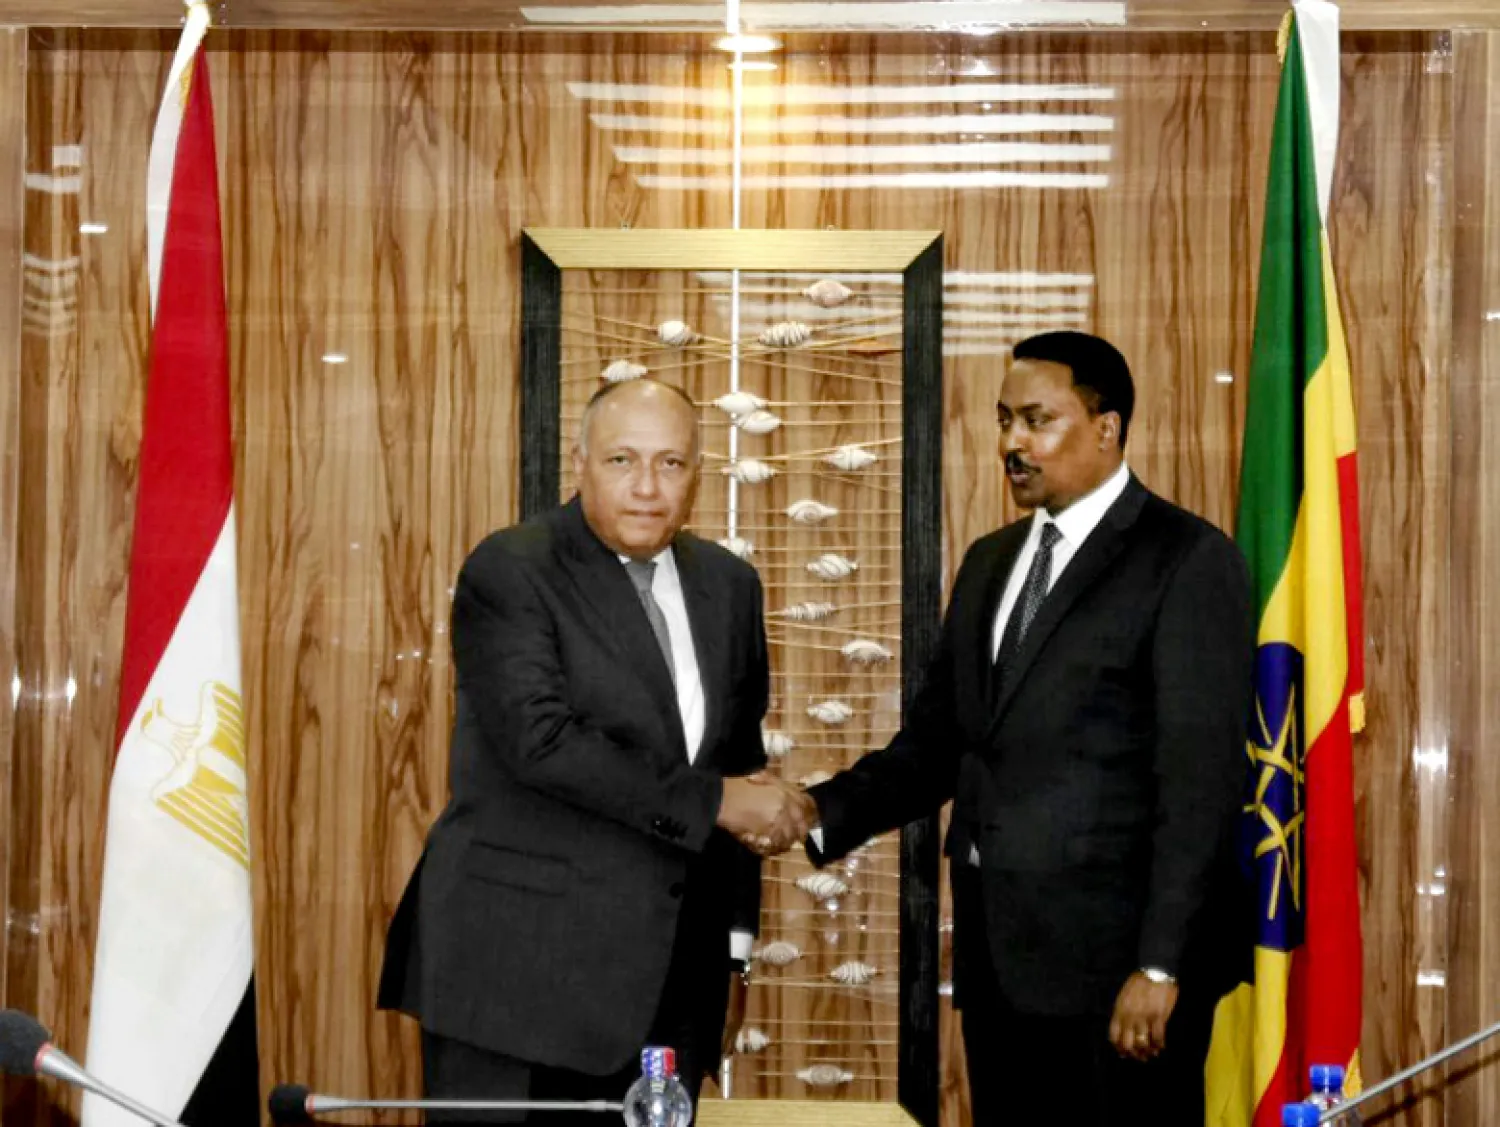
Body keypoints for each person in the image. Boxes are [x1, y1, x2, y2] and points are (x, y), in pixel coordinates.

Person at [777, 332, 1255, 1125]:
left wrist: (1162, 965)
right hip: (1002, 971)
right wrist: (815, 810)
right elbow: (938, 745)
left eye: (1038, 420)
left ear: (1107, 426)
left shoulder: (1186, 559)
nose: (1012, 443)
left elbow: (1199, 784)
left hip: (1122, 978)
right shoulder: (989, 562)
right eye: (1004, 420)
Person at [378, 378, 812, 1123]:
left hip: (671, 985)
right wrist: (720, 800)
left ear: (698, 474)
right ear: (579, 463)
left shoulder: (729, 585)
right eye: (622, 460)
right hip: (517, 979)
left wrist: (734, 950)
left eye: (671, 464)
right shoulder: (512, 569)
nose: (647, 487)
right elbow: (542, 743)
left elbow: (739, 765)